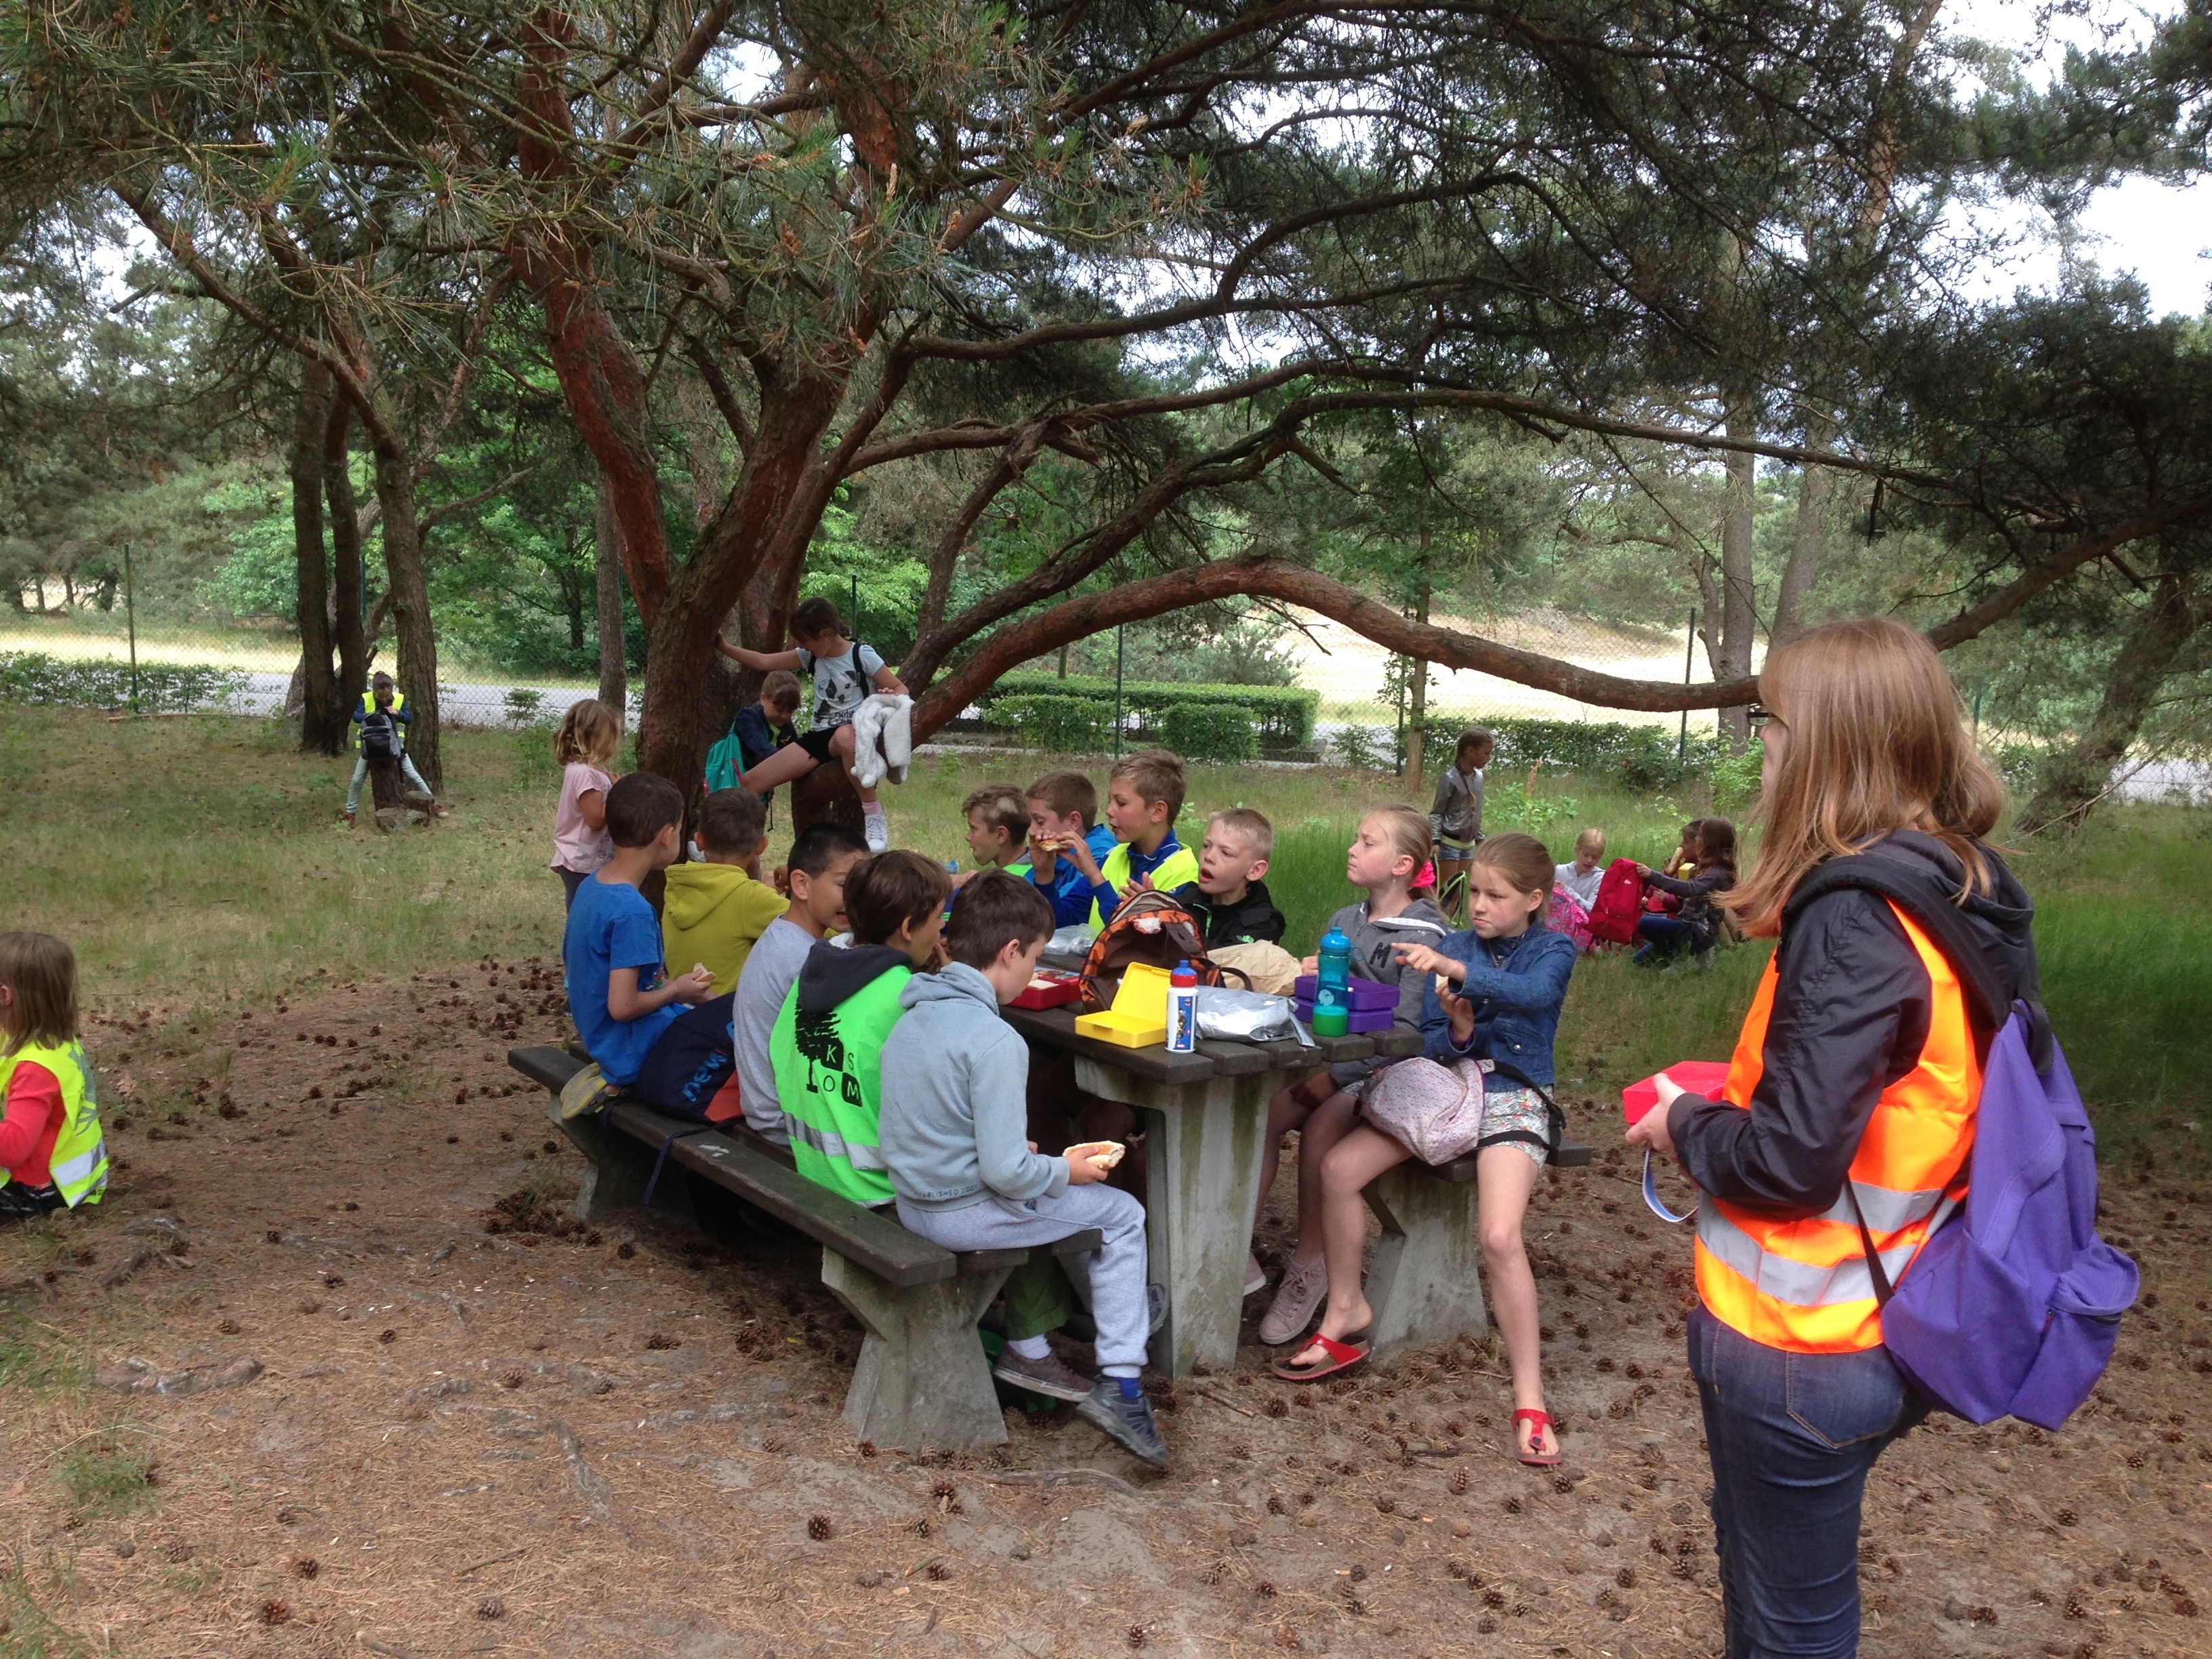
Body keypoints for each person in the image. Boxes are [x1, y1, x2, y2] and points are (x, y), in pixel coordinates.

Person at [1626, 616, 2037, 1659]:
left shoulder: (1852, 914)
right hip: (1898, 1310)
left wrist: (1683, 1119)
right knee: (1774, 1598)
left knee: (1789, 1627)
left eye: (1768, 722)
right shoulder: (1955, 882)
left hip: (1801, 1347)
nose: (1757, 746)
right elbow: (1905, 1087)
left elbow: (1786, 1166)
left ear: (1822, 745)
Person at [1267, 836, 1575, 1463]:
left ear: (1535, 899)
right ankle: (1346, 1309)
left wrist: (1457, 972)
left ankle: (1529, 1396)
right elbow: (1431, 1038)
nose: (1480, 907)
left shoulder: (1553, 948)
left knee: (1498, 1237)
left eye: (1497, 896)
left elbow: (1536, 996)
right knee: (1337, 1168)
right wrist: (1459, 1029)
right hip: (1452, 1088)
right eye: (1476, 894)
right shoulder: (1456, 944)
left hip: (1514, 1097)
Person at [878, 872, 1169, 1466]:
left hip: (915, 1198)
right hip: (960, 1214)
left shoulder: (914, 1015)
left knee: (1062, 1195)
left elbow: (949, 1127)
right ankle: (1122, 1382)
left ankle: (1107, 1316)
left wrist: (1043, 1165)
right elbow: (1008, 1176)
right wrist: (1067, 1173)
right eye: (1034, 958)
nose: (1033, 970)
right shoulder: (995, 1039)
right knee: (1120, 1214)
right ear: (1011, 953)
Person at [1252, 804, 1448, 1328]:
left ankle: (1309, 1266)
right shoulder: (1344, 921)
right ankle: (1234, 1247)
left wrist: (1334, 1076)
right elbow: (1322, 1013)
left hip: (1389, 1073)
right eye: (1356, 839)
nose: (1352, 849)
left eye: (1367, 842)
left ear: (1403, 864)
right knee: (1262, 1113)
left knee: (1323, 1128)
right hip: (1328, 1061)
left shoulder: (1423, 936)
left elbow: (1408, 1030)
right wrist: (1306, 978)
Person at [770, 851, 951, 1205]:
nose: (943, 927)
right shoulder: (908, 999)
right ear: (907, 927)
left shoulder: (811, 974)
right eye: (938, 917)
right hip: (878, 1190)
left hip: (815, 1170)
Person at [561, 773, 722, 1112]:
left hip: (601, 1039)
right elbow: (622, 1007)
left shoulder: (593, 886)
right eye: (679, 830)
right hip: (628, 1051)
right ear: (666, 836)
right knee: (735, 1047)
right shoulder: (632, 912)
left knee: (721, 1011)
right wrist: (677, 990)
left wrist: (685, 990)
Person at [719, 598, 907, 852]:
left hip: (854, 731)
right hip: (819, 737)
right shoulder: (811, 657)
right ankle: (726, 843)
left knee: (845, 736)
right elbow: (764, 662)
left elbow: (899, 687)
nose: (802, 647)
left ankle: (873, 815)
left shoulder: (861, 655)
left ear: (825, 634)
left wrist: (891, 694)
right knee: (750, 782)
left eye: (805, 641)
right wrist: (724, 647)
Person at [732, 823, 868, 1147]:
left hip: (768, 1107)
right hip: (783, 1121)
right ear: (801, 885)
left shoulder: (786, 935)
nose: (855, 899)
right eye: (843, 885)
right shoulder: (803, 960)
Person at [0, 932, 107, 1220]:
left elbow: (13, 1148)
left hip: (42, 1190)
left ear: (4, 996)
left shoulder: (37, 1067)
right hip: (73, 1176)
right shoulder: (52, 1041)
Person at [661, 789, 788, 997]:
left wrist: (764, 893)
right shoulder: (751, 899)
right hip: (726, 1019)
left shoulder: (679, 884)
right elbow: (822, 929)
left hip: (681, 1009)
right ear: (762, 846)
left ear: (699, 841)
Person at [1054, 749, 1200, 927]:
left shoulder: (1186, 878)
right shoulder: (1112, 857)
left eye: (1121, 803)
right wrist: (1044, 874)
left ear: (1158, 812)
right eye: (1110, 801)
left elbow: (1133, 940)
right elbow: (1061, 919)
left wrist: (1095, 877)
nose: (1109, 811)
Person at [1170, 808, 1286, 948]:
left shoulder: (1263, 924)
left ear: (1255, 870)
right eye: (1206, 846)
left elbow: (1227, 960)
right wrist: (1152, 909)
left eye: (1226, 853)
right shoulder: (1187, 899)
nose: (1209, 857)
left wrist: (1172, 926)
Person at [1633, 817, 1738, 967]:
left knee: (1645, 924)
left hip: (1699, 932)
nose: (1696, 840)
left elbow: (1691, 889)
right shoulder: (1702, 868)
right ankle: (1678, 955)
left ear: (1711, 843)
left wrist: (1652, 876)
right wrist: (1670, 874)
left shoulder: (1717, 874)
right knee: (1639, 961)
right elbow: (1682, 898)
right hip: (1686, 924)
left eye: (1700, 836)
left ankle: (1695, 958)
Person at [1023, 769, 1121, 929]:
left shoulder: (1100, 854)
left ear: (1073, 822)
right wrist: (1043, 874)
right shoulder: (1056, 851)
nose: (1031, 831)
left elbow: (1059, 918)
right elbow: (1020, 902)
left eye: (1039, 822)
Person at [344, 671, 443, 825]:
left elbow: (409, 719)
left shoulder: (400, 699)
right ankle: (350, 813)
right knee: (357, 780)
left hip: (396, 748)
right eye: (380, 696)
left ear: (392, 690)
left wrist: (398, 713)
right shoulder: (366, 698)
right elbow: (356, 717)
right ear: (374, 690)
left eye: (386, 696)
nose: (384, 699)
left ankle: (434, 804)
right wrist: (373, 715)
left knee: (413, 774)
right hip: (370, 749)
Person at [550, 698, 621, 911]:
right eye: (610, 736)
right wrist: (617, 792)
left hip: (587, 861)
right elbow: (596, 820)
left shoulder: (589, 770)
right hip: (582, 863)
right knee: (582, 917)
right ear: (596, 737)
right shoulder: (585, 773)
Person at [1429, 728, 1492, 918]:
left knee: (1461, 891)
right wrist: (1435, 840)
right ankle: (1438, 925)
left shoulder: (1479, 778)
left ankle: (1450, 927)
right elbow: (1437, 812)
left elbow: (1475, 813)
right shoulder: (1449, 778)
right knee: (1447, 891)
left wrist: (1481, 839)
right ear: (1470, 751)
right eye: (1486, 753)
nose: (1489, 758)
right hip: (1450, 844)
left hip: (1468, 845)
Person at [949, 783, 1031, 890]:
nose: (968, 837)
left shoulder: (1008, 887)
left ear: (1001, 835)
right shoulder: (1035, 869)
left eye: (973, 828)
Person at [1554, 827, 1607, 912]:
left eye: (1595, 857)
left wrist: (1566, 891)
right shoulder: (1560, 871)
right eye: (1586, 855)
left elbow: (1591, 909)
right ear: (1577, 851)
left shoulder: (1600, 878)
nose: (1589, 860)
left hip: (1582, 924)